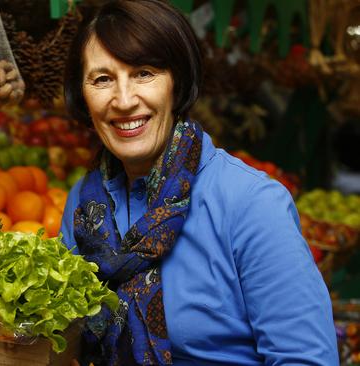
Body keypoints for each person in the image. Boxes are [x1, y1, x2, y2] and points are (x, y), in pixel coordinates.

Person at [59, 1, 338, 365]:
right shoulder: (85, 205)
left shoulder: (251, 204)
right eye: (102, 79)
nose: (124, 100)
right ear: (83, 95)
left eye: (144, 73)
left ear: (178, 83)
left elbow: (305, 359)